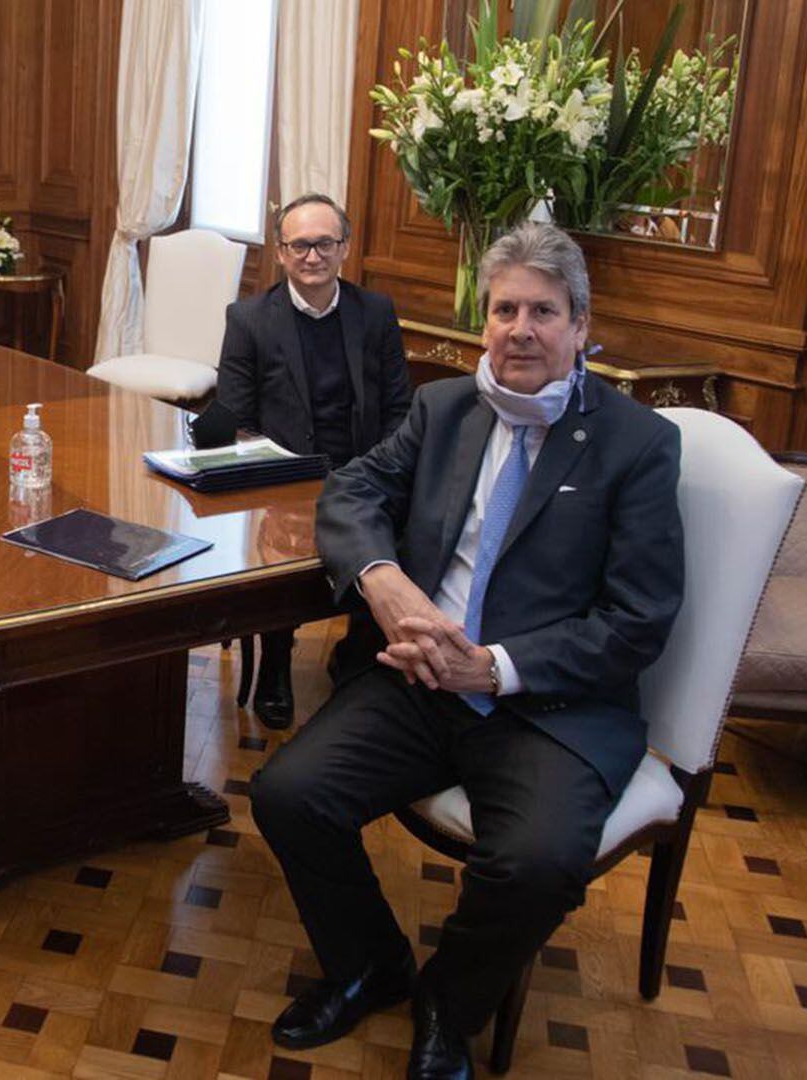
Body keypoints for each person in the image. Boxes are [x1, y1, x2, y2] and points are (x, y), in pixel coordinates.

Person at [250, 222, 684, 1078]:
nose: (521, 328)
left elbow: (638, 619)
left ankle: (450, 1004)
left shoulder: (637, 445)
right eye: (504, 309)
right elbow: (352, 488)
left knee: (536, 864)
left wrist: (495, 667)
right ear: (483, 322)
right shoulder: (446, 408)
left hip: (548, 706)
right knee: (288, 793)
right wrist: (384, 581)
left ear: (581, 325)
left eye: (544, 311)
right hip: (419, 681)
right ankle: (372, 965)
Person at [215, 193, 413, 729]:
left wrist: (381, 471)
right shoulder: (251, 319)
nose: (312, 256)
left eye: (324, 243)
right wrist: (284, 479)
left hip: (364, 469)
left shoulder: (375, 313)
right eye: (300, 244)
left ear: (344, 247)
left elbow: (399, 407)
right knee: (282, 547)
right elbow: (237, 418)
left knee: (407, 531)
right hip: (285, 479)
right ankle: (277, 661)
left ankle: (356, 654)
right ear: (280, 253)